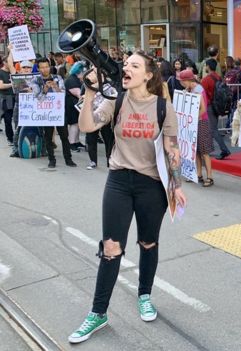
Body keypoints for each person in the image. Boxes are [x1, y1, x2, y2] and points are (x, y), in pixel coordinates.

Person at [68, 51, 187, 344]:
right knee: (111, 247)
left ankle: (144, 295)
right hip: (119, 181)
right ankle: (98, 313)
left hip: (151, 185)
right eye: (125, 65)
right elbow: (86, 127)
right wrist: (89, 91)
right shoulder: (115, 100)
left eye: (134, 65)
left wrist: (177, 185)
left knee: (148, 242)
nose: (126, 68)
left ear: (148, 75)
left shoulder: (163, 107)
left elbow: (172, 149)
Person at [33, 57, 76, 168]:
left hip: (59, 112)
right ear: (38, 69)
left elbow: (63, 94)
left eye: (47, 67)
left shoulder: (58, 78)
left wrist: (55, 87)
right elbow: (39, 98)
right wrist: (45, 89)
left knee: (64, 136)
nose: (45, 69)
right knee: (48, 137)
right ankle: (51, 159)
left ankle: (68, 159)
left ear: (49, 66)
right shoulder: (35, 80)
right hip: (45, 113)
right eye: (42, 67)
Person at [179, 69, 214, 187]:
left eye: (183, 81)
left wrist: (192, 118)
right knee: (197, 151)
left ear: (188, 80)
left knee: (204, 151)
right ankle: (199, 174)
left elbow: (203, 109)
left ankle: (209, 176)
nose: (181, 83)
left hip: (201, 122)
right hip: (195, 122)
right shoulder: (192, 89)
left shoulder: (198, 90)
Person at [5, 44, 37, 158]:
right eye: (24, 67)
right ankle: (15, 149)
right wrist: (11, 51)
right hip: (20, 106)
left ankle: (39, 148)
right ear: (21, 68)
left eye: (28, 67)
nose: (26, 69)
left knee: (38, 127)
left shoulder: (36, 78)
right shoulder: (16, 76)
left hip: (34, 106)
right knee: (18, 127)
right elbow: (10, 63)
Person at [201, 58, 231, 160]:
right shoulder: (218, 77)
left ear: (208, 67)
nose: (205, 67)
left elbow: (201, 93)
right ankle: (208, 150)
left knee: (213, 129)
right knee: (211, 128)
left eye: (205, 65)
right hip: (217, 106)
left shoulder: (206, 80)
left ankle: (224, 149)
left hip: (209, 106)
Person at [0, 55, 15, 145]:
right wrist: (12, 84)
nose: (11, 64)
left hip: (15, 97)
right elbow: (1, 86)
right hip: (6, 98)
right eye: (9, 62)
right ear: (5, 62)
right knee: (8, 119)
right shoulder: (1, 72)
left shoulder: (13, 71)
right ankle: (10, 138)